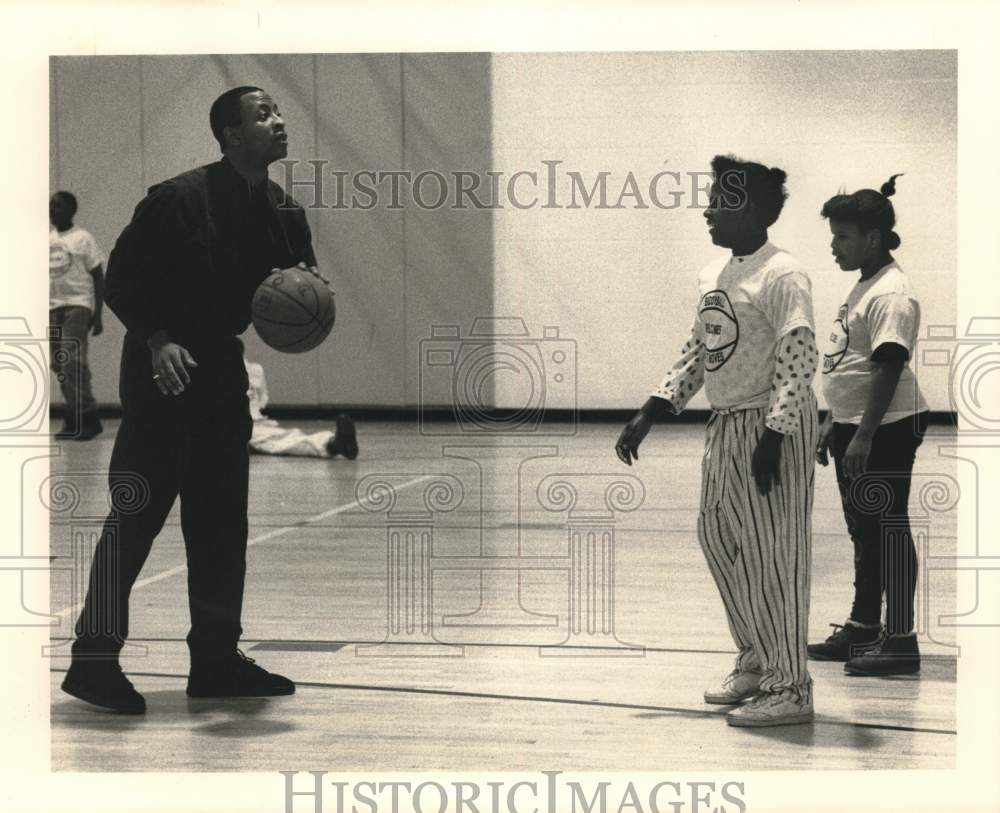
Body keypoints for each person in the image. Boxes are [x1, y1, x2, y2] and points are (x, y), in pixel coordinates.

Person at [62, 86, 323, 714]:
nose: (279, 121)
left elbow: (297, 286)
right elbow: (121, 279)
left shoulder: (284, 213)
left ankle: (215, 661)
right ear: (231, 135)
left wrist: (311, 301)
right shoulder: (177, 199)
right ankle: (92, 662)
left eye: (278, 112)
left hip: (219, 375)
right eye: (263, 115)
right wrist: (157, 340)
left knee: (221, 526)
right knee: (133, 521)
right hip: (162, 372)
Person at [616, 155, 819, 728]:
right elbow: (699, 352)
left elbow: (798, 359)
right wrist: (650, 411)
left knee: (774, 556)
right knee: (717, 537)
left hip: (770, 426)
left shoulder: (784, 275)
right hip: (727, 423)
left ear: (749, 209)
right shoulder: (716, 275)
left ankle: (792, 686)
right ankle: (757, 657)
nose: (706, 209)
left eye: (719, 201)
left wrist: (775, 436)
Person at [809, 175, 930, 676]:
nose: (833, 245)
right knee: (866, 531)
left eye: (842, 237)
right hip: (854, 426)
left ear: (873, 238)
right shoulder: (867, 283)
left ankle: (900, 640)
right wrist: (832, 422)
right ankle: (863, 627)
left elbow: (887, 366)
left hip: (886, 428)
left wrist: (863, 434)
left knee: (888, 530)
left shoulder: (892, 293)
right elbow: (850, 361)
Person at [241, 339, 358, 459]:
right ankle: (332, 445)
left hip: (249, 424)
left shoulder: (254, 370)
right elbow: (261, 401)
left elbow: (260, 401)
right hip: (235, 426)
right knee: (278, 439)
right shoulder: (250, 370)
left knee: (284, 437)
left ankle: (334, 444)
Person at [49, 191, 105, 440]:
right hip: (53, 309)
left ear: (71, 210)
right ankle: (73, 419)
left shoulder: (82, 238)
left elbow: (97, 275)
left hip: (77, 306)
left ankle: (88, 418)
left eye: (58, 205)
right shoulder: (47, 239)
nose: (52, 209)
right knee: (59, 364)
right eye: (51, 205)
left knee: (73, 361)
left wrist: (98, 312)